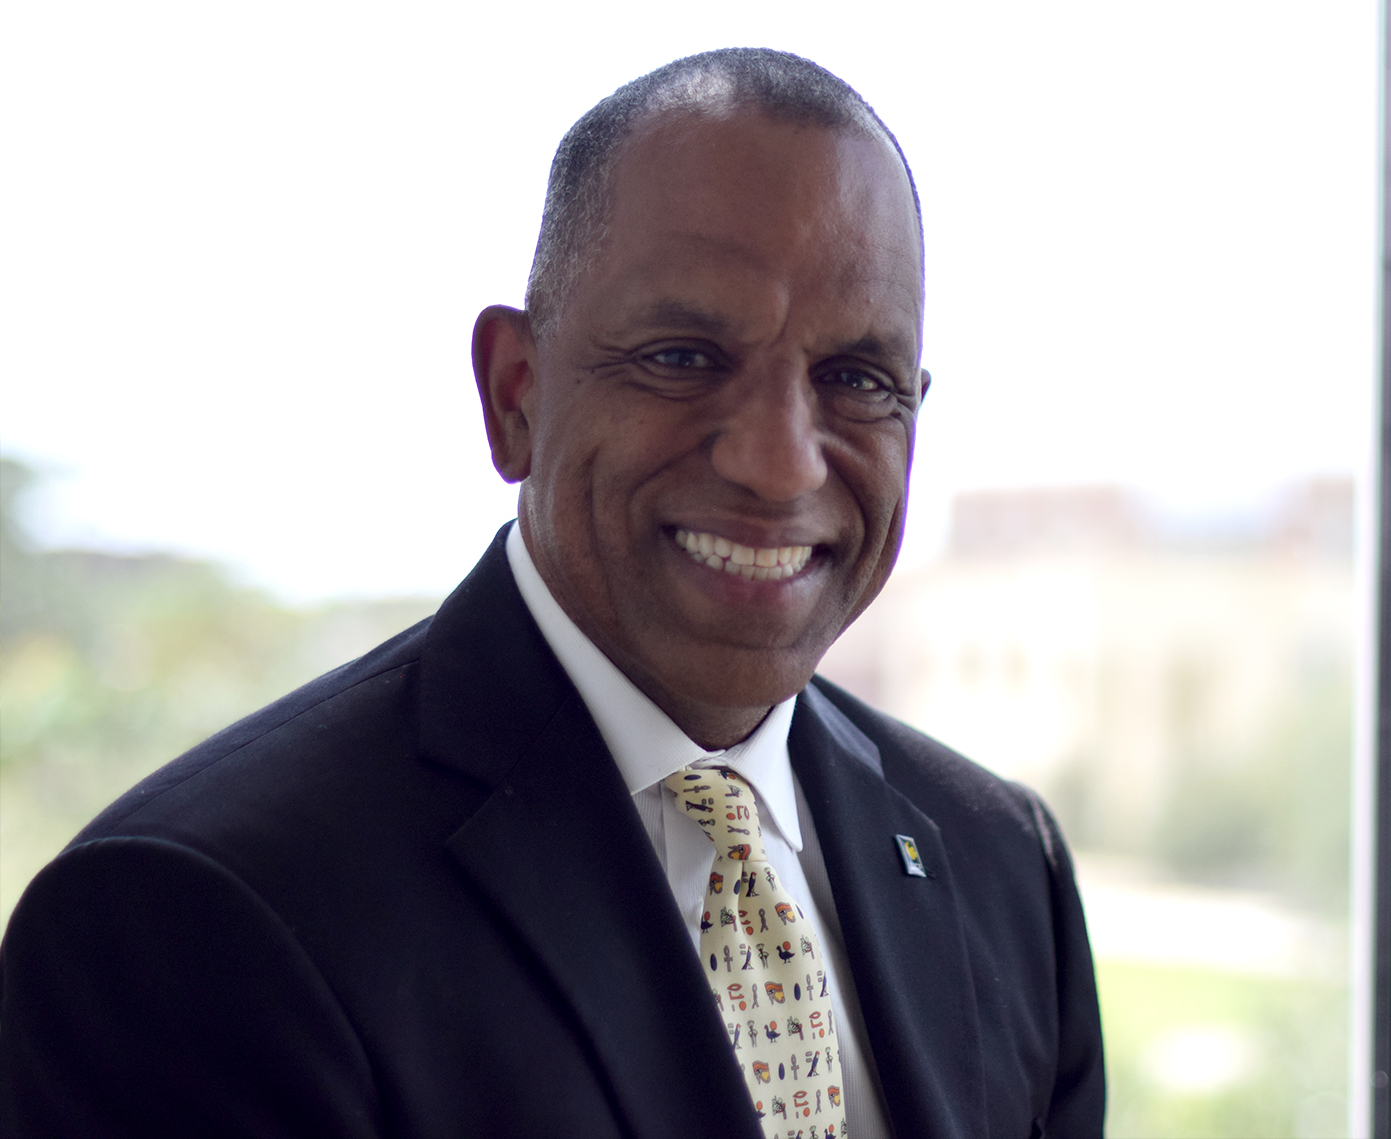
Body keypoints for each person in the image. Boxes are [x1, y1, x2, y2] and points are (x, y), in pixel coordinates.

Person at [0, 49, 1104, 1138]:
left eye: (857, 380)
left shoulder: (1004, 866)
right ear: (515, 394)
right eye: (683, 356)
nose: (780, 462)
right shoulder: (191, 920)